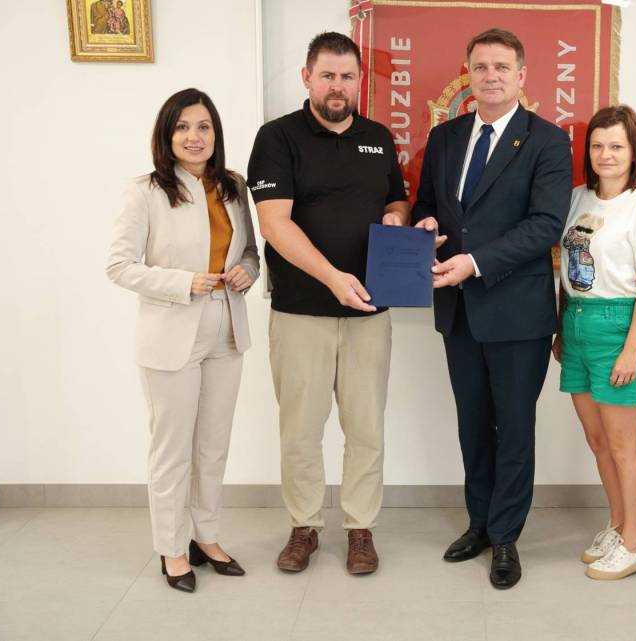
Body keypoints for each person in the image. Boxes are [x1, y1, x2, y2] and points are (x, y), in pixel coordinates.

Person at [412, 28, 572, 589]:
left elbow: (545, 225)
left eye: (502, 67)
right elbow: (428, 204)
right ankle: (478, 524)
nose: (491, 76)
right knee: (473, 425)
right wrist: (426, 224)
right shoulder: (445, 137)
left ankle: (506, 536)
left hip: (517, 313)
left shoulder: (548, 142)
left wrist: (474, 262)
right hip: (457, 312)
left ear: (522, 76)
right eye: (481, 67)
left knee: (514, 428)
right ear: (468, 74)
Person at [246, 31, 409, 576]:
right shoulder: (277, 137)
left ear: (359, 81)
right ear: (307, 78)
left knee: (366, 429)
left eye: (347, 76)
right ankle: (305, 526)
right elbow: (274, 223)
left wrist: (397, 220)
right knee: (301, 430)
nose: (337, 86)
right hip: (300, 312)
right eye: (327, 76)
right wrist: (334, 278)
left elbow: (396, 199)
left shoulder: (378, 137)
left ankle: (361, 528)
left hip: (370, 312)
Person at [107, 88, 259, 593]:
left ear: (216, 134)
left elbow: (251, 253)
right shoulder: (145, 191)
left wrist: (247, 270)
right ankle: (172, 548)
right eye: (183, 127)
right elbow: (119, 266)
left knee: (212, 446)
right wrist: (183, 282)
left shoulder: (233, 186)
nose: (195, 137)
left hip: (226, 329)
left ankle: (206, 537)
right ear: (167, 134)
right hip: (172, 332)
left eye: (204, 127)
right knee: (171, 450)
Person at [552, 105, 636, 580]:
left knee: (623, 447)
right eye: (597, 145)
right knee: (598, 441)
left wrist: (632, 349)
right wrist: (561, 327)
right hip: (576, 322)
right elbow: (564, 266)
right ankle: (618, 527)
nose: (606, 154)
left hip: (618, 325)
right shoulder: (577, 198)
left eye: (616, 146)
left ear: (634, 151)